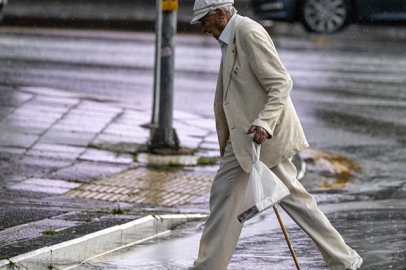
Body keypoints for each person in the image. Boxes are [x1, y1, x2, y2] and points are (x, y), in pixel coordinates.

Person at [189, 0, 363, 270]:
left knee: (250, 203)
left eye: (204, 22)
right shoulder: (230, 37)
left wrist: (264, 123)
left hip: (261, 138)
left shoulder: (249, 33)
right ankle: (344, 260)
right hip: (246, 140)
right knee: (228, 203)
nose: (203, 29)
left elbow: (281, 82)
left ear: (221, 14)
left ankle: (345, 259)